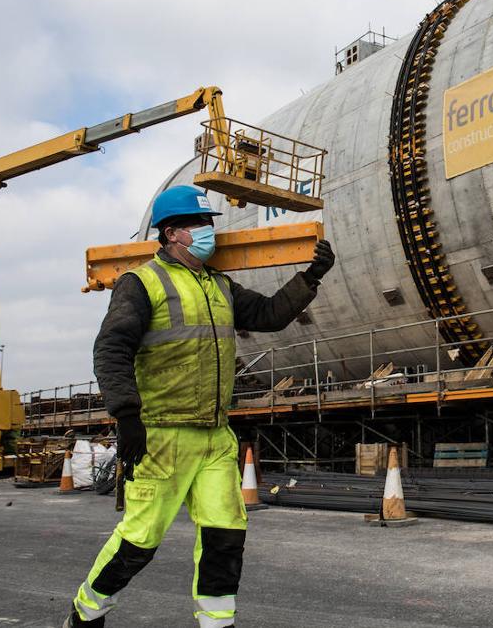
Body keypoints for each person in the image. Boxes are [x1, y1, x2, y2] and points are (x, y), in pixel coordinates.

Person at [66, 185, 334, 628]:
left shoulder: (220, 286)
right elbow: (111, 349)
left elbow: (269, 315)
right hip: (161, 436)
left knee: (225, 536)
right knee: (140, 540)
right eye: (201, 225)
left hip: (214, 436)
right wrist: (127, 415)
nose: (210, 232)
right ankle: (86, 612)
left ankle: (217, 623)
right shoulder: (142, 283)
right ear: (174, 233)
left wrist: (311, 276)